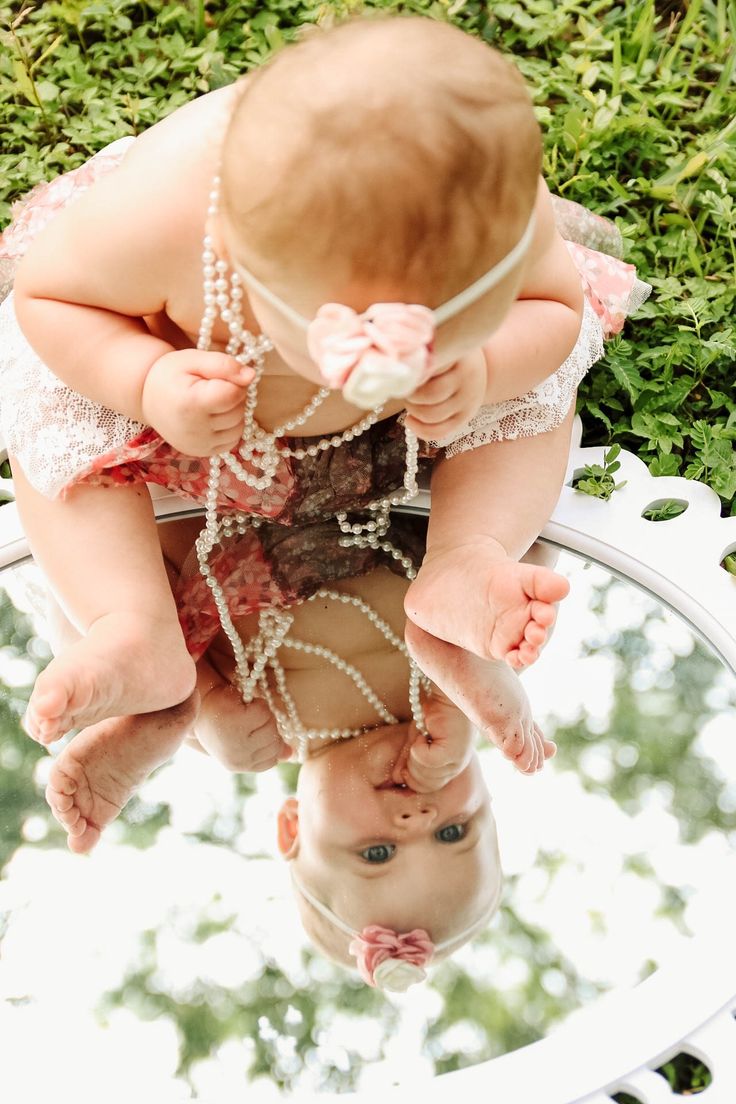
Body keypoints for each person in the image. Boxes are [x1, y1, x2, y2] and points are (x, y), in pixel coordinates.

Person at [0, 17, 647, 758]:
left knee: (539, 395)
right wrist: (145, 379)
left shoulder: (494, 210)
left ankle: (466, 555)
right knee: (50, 397)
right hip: (200, 412)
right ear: (241, 251)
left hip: (418, 424)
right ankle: (131, 623)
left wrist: (484, 365)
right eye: (340, 326)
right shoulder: (170, 212)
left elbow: (555, 307)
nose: (376, 356)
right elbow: (50, 298)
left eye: (444, 317)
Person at [39, 511, 550, 991]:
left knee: (105, 615)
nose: (417, 817)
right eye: (453, 831)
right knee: (513, 589)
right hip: (385, 506)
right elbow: (545, 542)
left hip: (196, 526)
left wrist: (210, 707)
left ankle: (161, 706)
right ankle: (469, 599)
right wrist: (469, 692)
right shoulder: (471, 698)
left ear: (293, 827)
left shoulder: (258, 732)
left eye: (377, 853)